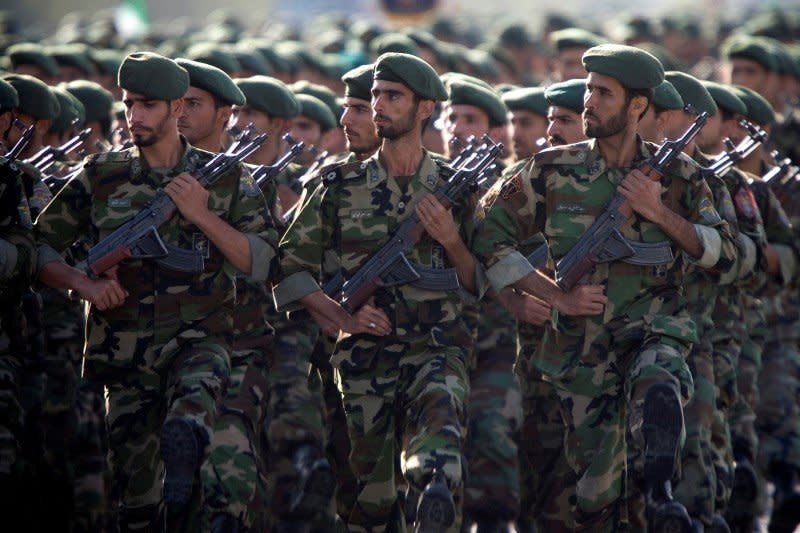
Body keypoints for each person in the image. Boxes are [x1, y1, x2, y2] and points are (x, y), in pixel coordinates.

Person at [471, 44, 737, 532]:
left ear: (637, 105)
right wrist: (555, 296)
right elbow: (488, 238)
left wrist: (658, 211)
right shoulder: (551, 169)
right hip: (581, 352)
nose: (588, 102)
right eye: (588, 89)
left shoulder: (681, 175)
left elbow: (726, 254)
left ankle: (660, 490)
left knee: (659, 380)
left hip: (656, 329)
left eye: (603, 93)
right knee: (595, 502)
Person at [34, 51, 280, 531]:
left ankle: (185, 447)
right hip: (124, 356)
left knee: (189, 420)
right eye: (129, 104)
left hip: (200, 340)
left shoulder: (225, 177)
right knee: (138, 505)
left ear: (176, 109)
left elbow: (262, 261)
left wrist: (201, 215)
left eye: (148, 105)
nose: (134, 116)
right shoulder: (100, 176)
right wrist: (83, 284)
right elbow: (39, 249)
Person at [275, 52, 484, 532]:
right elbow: (290, 266)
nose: (379, 106)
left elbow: (480, 282)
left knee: (439, 463)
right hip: (363, 363)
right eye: (375, 97)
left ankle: (431, 490)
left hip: (438, 352)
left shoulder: (459, 187)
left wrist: (451, 240)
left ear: (426, 107)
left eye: (394, 97)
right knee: (370, 505)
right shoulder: (338, 184)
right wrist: (339, 317)